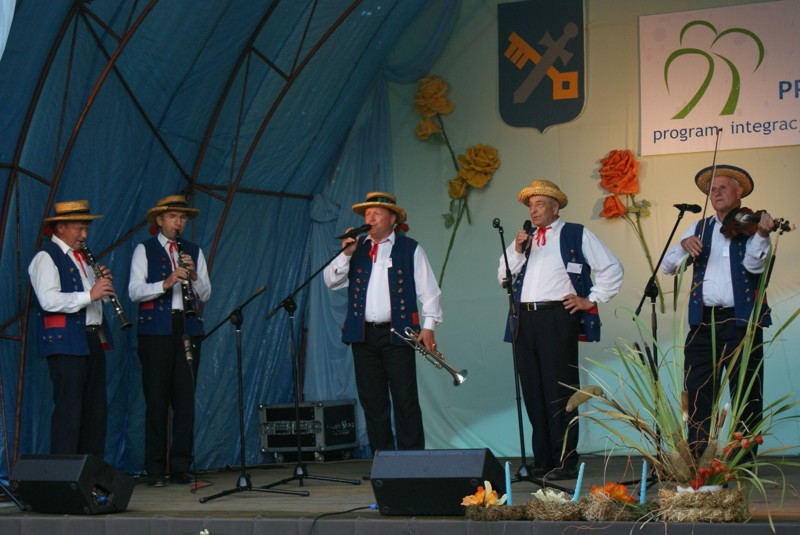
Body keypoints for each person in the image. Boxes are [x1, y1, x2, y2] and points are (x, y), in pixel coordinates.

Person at [498, 180, 623, 480]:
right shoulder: (525, 240)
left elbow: (611, 268)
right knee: (532, 390)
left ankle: (565, 460)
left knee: (559, 391)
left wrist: (590, 299)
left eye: (539, 204)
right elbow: (503, 276)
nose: (533, 210)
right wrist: (517, 249)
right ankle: (542, 459)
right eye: (531, 205)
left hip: (557, 316)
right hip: (524, 318)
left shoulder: (575, 233)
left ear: (555, 208)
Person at [662, 165, 775, 453]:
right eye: (712, 189)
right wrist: (683, 245)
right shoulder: (699, 228)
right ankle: (699, 460)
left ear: (739, 192)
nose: (716, 193)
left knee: (746, 394)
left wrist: (763, 235)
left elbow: (754, 267)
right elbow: (668, 267)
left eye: (723, 187)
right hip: (703, 322)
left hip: (741, 322)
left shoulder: (751, 226)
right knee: (698, 392)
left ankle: (742, 464)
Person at [323, 192, 442, 453]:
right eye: (367, 214)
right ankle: (383, 459)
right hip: (364, 336)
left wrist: (429, 327)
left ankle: (412, 459)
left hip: (398, 335)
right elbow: (331, 281)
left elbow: (429, 291)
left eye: (376, 213)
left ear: (392, 219)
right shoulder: (356, 249)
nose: (370, 218)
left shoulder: (409, 248)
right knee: (373, 401)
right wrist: (345, 254)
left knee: (405, 399)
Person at [128, 195, 211, 487]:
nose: (179, 223)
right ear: (160, 220)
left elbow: (206, 294)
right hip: (155, 333)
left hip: (187, 330)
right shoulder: (145, 249)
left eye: (182, 218)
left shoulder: (193, 251)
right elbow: (134, 291)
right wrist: (166, 283)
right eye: (173, 217)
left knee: (185, 401)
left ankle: (180, 466)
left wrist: (194, 276)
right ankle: (154, 468)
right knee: (156, 401)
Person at [28, 200, 118, 456]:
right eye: (79, 228)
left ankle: (90, 473)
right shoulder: (46, 257)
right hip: (65, 342)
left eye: (86, 228)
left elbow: (91, 299)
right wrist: (91, 294)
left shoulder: (84, 259)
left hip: (92, 339)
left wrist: (101, 287)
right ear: (61, 227)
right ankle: (64, 473)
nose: (85, 235)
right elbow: (48, 300)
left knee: (94, 411)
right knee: (69, 411)